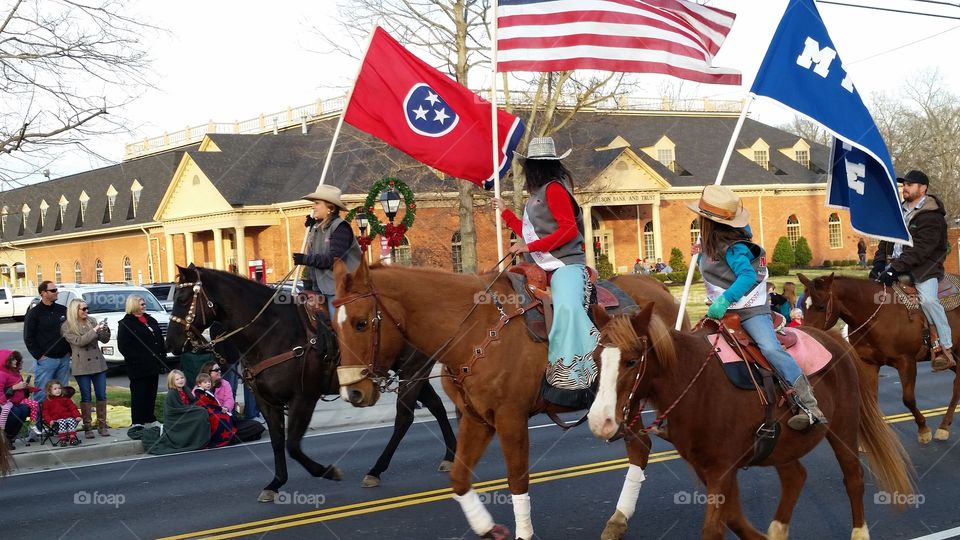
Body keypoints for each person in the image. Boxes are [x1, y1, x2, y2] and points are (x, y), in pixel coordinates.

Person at [689, 184, 826, 430]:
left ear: (711, 222)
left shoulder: (735, 248)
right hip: (721, 311)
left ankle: (808, 404)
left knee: (770, 349)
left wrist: (724, 299)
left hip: (749, 310)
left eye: (702, 217)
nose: (699, 220)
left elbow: (746, 277)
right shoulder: (708, 243)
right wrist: (699, 255)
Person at [492, 136, 599, 393]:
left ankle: (575, 369)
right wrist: (506, 212)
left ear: (535, 167)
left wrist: (529, 247)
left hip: (565, 266)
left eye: (528, 166)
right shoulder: (536, 196)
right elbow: (531, 234)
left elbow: (569, 231)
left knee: (567, 308)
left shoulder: (555, 190)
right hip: (540, 267)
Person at [870, 170, 954, 371]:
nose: (905, 188)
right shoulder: (897, 212)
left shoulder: (933, 217)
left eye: (910, 184)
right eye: (904, 184)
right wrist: (880, 264)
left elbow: (921, 250)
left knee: (928, 300)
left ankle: (945, 346)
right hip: (895, 265)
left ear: (923, 188)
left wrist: (894, 269)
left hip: (924, 268)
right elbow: (885, 241)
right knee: (868, 296)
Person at [292, 185, 362, 318]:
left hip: (340, 290)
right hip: (320, 290)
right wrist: (314, 227)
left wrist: (306, 259)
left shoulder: (340, 228)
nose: (313, 207)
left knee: (338, 328)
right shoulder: (318, 227)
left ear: (330, 208)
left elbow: (334, 260)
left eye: (317, 203)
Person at [61, 298, 111, 438]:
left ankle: (102, 425)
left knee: (101, 394)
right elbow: (80, 342)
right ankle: (87, 426)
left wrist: (104, 330)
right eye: (83, 309)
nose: (86, 311)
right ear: (75, 310)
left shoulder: (92, 321)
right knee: (86, 396)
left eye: (87, 308)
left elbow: (104, 339)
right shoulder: (67, 326)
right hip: (81, 365)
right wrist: (95, 330)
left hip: (98, 363)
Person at [118, 295, 166, 428]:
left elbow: (159, 339)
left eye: (144, 304)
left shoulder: (151, 320)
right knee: (139, 394)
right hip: (138, 366)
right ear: (133, 305)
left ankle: (150, 418)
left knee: (151, 393)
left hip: (153, 365)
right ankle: (138, 421)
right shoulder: (126, 323)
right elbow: (124, 346)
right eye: (141, 304)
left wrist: (162, 356)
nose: (144, 306)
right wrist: (139, 358)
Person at [138, 370, 210, 454]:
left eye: (182, 378)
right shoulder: (172, 393)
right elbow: (174, 410)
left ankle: (201, 439)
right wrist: (194, 409)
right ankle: (197, 441)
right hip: (176, 418)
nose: (180, 380)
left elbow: (192, 402)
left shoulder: (186, 390)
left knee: (202, 412)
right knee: (201, 413)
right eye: (177, 379)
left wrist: (196, 407)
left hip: (185, 413)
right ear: (172, 382)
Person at [23, 281, 70, 403]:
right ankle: (38, 421)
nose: (56, 292)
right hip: (46, 360)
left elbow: (70, 331)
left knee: (62, 392)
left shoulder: (63, 310)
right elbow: (28, 337)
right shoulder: (34, 313)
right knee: (42, 393)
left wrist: (69, 352)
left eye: (56, 290)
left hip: (64, 358)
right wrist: (39, 355)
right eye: (53, 290)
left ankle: (60, 420)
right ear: (43, 293)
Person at [0, 350, 37, 448]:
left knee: (24, 409)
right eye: (13, 359)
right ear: (6, 361)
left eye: (16, 359)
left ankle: (10, 437)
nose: (16, 361)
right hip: (4, 403)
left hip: (16, 402)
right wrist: (14, 388)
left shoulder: (16, 373)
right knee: (15, 412)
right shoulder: (2, 374)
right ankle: (4, 438)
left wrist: (27, 389)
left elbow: (21, 393)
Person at [193, 373, 235, 448]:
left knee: (225, 416)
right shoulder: (199, 392)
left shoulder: (206, 392)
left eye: (209, 382)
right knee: (221, 418)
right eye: (205, 382)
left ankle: (228, 434)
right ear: (199, 384)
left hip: (213, 410)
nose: (208, 384)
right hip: (208, 412)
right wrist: (219, 408)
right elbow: (205, 404)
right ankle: (222, 438)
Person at [40, 380, 82, 446]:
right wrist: (49, 420)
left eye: (59, 388)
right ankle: (62, 439)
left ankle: (72, 438)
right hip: (56, 420)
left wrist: (77, 416)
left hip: (68, 417)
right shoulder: (47, 402)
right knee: (62, 421)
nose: (58, 390)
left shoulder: (66, 399)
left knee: (71, 420)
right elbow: (45, 413)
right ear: (49, 391)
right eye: (55, 389)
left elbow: (73, 408)